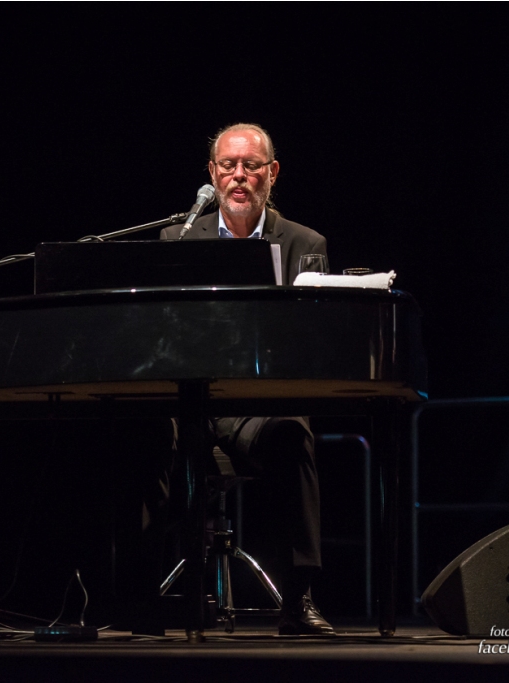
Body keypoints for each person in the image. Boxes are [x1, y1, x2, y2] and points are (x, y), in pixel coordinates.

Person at [159, 123, 333, 636]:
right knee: (136, 431)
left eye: (251, 166)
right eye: (228, 166)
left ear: (271, 173)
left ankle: (298, 598)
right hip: (191, 401)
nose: (239, 176)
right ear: (212, 174)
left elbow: (313, 339)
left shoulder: (304, 243)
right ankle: (146, 592)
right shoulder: (177, 238)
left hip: (259, 404)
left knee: (293, 432)